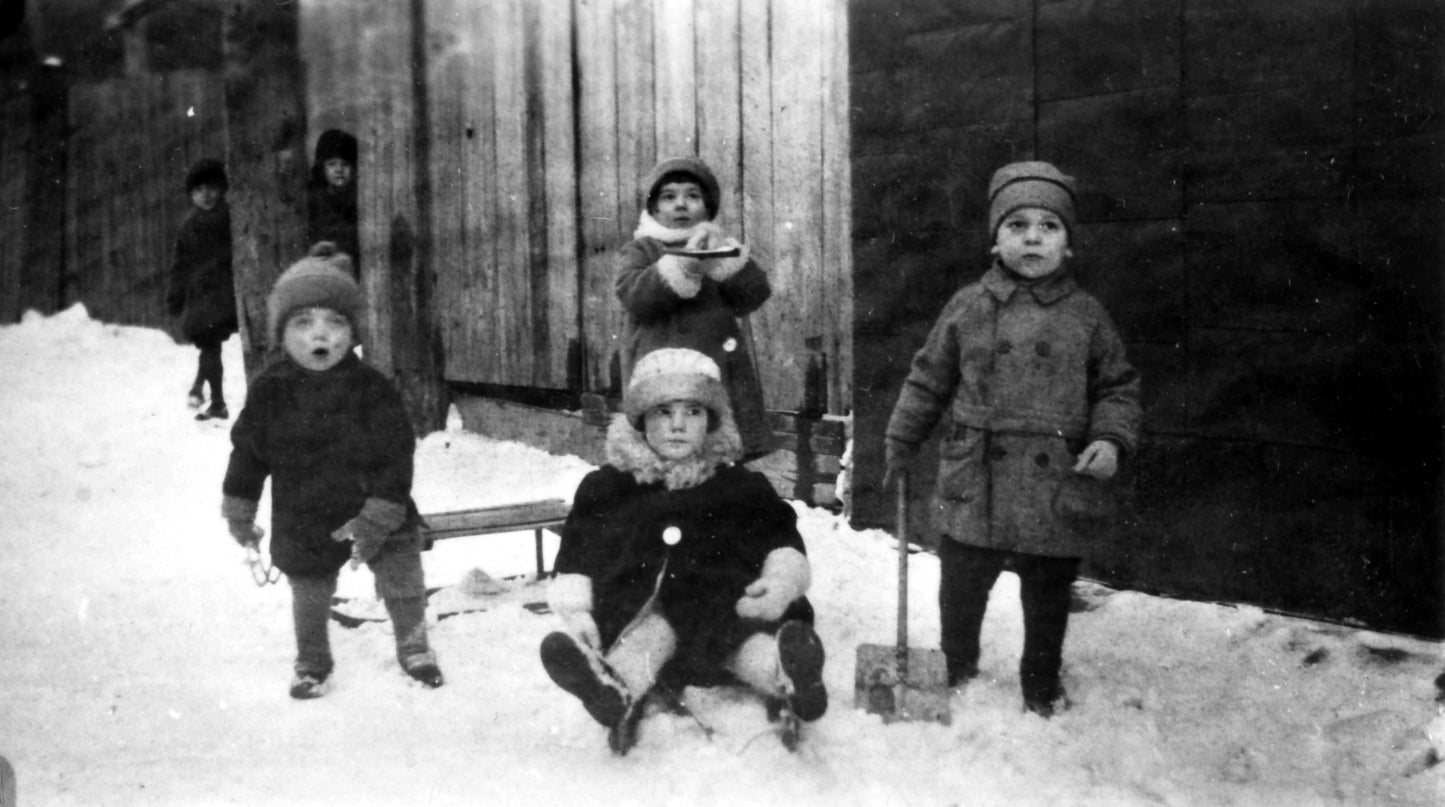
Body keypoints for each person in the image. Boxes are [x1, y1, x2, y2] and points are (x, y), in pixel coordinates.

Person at [884, 161, 1142, 718]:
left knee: (1048, 591)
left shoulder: (1087, 316)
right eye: (1017, 224)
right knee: (961, 581)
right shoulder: (968, 305)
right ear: (994, 240)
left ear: (1068, 246)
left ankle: (1040, 679)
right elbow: (927, 379)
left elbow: (1117, 386)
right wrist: (902, 441)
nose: (1032, 237)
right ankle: (956, 660)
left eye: (1049, 226)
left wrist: (1111, 439)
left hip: (1051, 477)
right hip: (977, 471)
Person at [539, 347, 827, 754]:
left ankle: (789, 675)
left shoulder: (739, 486)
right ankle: (611, 689)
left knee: (745, 640)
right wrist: (578, 612)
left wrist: (779, 583)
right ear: (640, 421)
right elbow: (576, 553)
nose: (678, 425)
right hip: (646, 613)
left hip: (727, 609)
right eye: (663, 412)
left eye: (693, 412)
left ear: (711, 420)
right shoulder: (608, 487)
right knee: (646, 640)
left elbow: (781, 539)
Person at [220, 242, 443, 699]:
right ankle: (313, 661)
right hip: (305, 509)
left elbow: (396, 452)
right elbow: (248, 454)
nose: (319, 335)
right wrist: (239, 511)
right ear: (281, 333)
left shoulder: (372, 389)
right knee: (308, 586)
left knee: (402, 570)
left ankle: (414, 643)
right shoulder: (271, 391)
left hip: (376, 501)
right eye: (302, 323)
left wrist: (381, 511)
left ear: (353, 331)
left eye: (335, 322)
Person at [614, 157, 775, 461]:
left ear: (708, 207)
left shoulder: (720, 248)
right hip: (660, 368)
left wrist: (725, 263)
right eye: (669, 197)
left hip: (719, 370)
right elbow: (633, 294)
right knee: (665, 450)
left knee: (720, 447)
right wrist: (682, 266)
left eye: (692, 196)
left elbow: (754, 295)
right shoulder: (642, 250)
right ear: (654, 209)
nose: (681, 205)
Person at [166, 158, 237, 421]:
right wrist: (175, 295)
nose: (205, 195)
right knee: (209, 346)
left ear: (221, 189)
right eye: (198, 191)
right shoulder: (189, 227)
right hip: (200, 296)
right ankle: (204, 391)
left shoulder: (230, 217)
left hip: (224, 293)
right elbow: (180, 265)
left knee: (210, 345)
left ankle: (216, 401)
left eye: (210, 188)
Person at [306, 129, 360, 274]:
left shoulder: (358, 200)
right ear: (322, 168)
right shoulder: (315, 201)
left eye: (345, 164)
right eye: (331, 164)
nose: (339, 170)